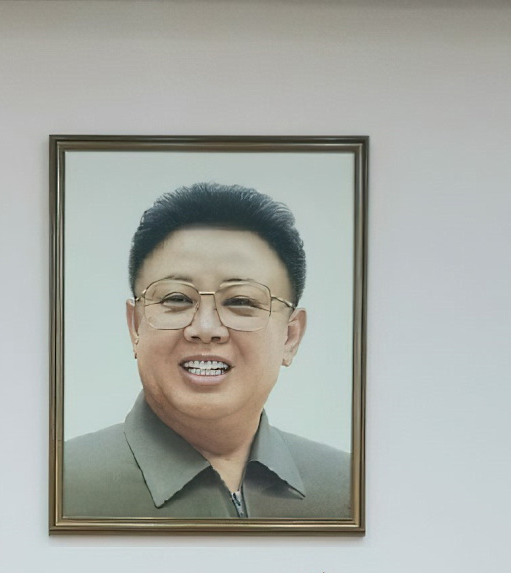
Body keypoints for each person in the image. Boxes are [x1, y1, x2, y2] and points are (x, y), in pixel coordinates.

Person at [63, 182, 351, 522]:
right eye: (176, 298)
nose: (205, 328)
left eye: (241, 301)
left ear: (290, 337)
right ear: (136, 325)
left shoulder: (346, 487)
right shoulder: (63, 483)